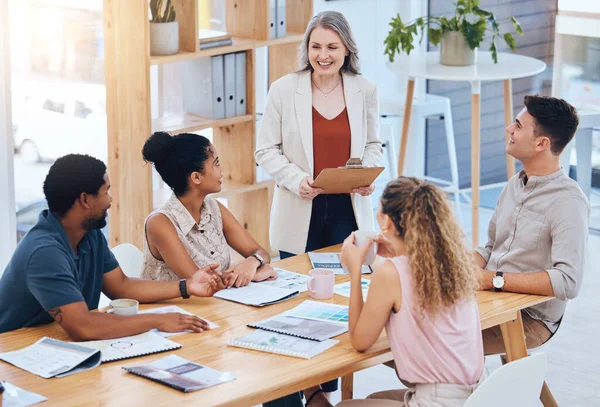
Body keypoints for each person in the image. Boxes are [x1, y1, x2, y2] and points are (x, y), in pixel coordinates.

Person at [256, 11, 382, 404]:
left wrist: (366, 173)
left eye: (331, 47)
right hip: (301, 209)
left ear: (346, 50)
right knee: (299, 301)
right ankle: (298, 387)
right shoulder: (283, 89)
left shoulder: (364, 89)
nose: (322, 55)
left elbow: (375, 144)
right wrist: (297, 180)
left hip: (347, 209)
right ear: (306, 49)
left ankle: (322, 390)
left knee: (342, 298)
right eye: (315, 46)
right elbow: (265, 150)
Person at [0, 154, 225, 339]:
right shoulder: (44, 252)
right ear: (85, 200)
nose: (110, 200)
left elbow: (121, 286)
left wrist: (187, 286)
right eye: (106, 191)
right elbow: (83, 327)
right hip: (14, 354)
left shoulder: (89, 234)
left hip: (54, 344)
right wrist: (158, 320)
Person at [336, 177, 484, 407]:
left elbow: (360, 341)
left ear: (388, 223)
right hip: (475, 396)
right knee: (372, 400)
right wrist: (395, 255)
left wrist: (355, 270)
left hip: (436, 401)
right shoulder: (454, 262)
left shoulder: (390, 273)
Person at [474, 95, 589, 354]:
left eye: (518, 126)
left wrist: (493, 280)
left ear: (541, 143)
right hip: (491, 300)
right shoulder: (515, 183)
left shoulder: (569, 201)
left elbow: (568, 282)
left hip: (529, 318)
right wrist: (464, 267)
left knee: (432, 342)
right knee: (409, 322)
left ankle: (449, 392)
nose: (509, 129)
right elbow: (491, 248)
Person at [141, 131, 276, 287]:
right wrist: (251, 275)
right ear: (196, 177)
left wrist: (252, 263)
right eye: (216, 163)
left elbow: (262, 253)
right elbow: (202, 283)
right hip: (174, 308)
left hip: (218, 303)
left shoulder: (214, 208)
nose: (222, 170)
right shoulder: (160, 223)